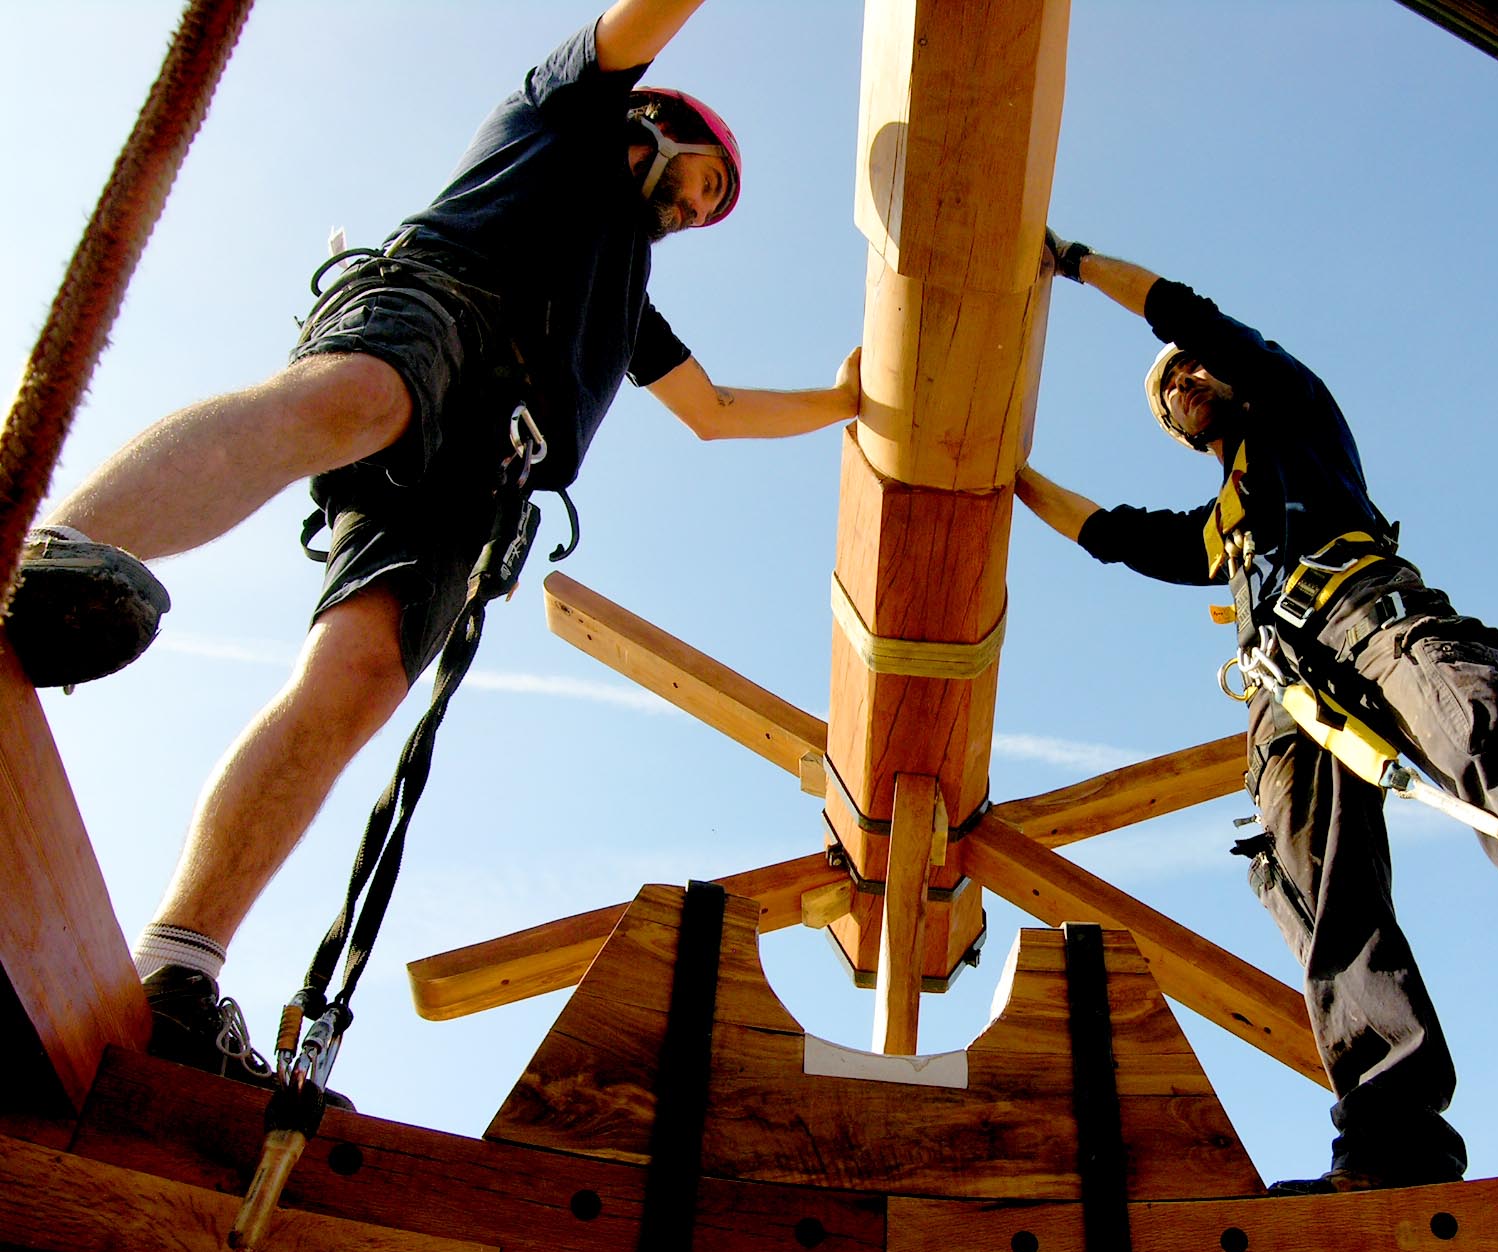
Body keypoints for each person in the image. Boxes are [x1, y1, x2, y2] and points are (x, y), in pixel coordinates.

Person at [3, 0, 862, 1091]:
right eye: (702, 182)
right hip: (438, 310)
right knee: (356, 397)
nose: (697, 210)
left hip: (491, 468)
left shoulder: (622, 293)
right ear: (652, 121)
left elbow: (715, 409)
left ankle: (178, 966)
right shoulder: (561, 113)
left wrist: (841, 401)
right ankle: (64, 548)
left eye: (711, 209)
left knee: (360, 678)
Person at [1015, 234, 1498, 1192]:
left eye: (1194, 369)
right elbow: (1113, 536)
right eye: (1171, 387)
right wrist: (1005, 473)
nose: (1186, 378)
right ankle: (1392, 1139)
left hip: (1369, 615)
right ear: (1177, 428)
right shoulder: (1224, 527)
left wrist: (1075, 261)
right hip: (1285, 693)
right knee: (1323, 896)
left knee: (1486, 744)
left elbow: (1190, 313)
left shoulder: (1294, 411)